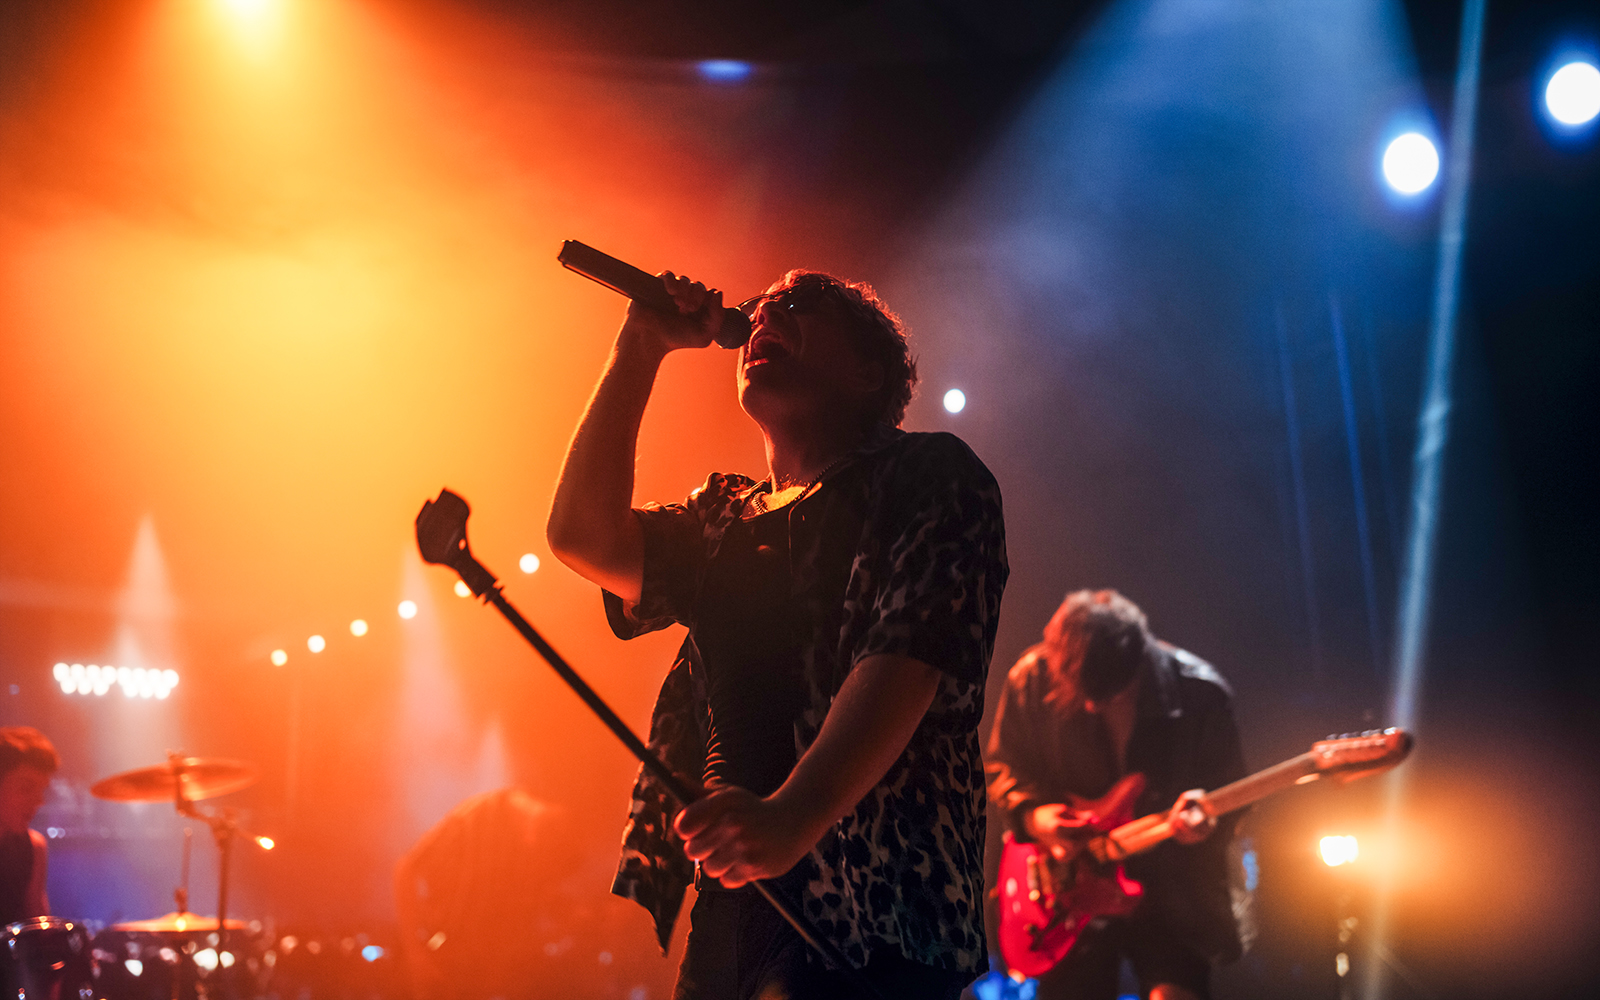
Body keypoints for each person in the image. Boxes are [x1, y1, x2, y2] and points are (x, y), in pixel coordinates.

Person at [546, 269, 1007, 999]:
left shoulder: (930, 474)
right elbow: (582, 536)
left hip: (876, 914)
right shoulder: (721, 516)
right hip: (737, 907)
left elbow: (911, 655)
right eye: (759, 306)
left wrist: (791, 818)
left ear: (868, 372)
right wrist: (641, 344)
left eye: (799, 304)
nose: (764, 314)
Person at [986, 590, 1247, 1000]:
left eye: (1109, 694)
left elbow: (1232, 795)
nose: (1091, 706)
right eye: (1078, 692)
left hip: (1169, 889)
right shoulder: (1032, 677)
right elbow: (1004, 767)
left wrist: (1207, 824)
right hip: (1069, 890)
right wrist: (1037, 817)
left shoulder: (1201, 693)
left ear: (1139, 660)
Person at [0, 726, 59, 924]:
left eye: (41, 790)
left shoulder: (33, 848)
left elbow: (38, 931)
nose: (38, 801)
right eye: (26, 788)